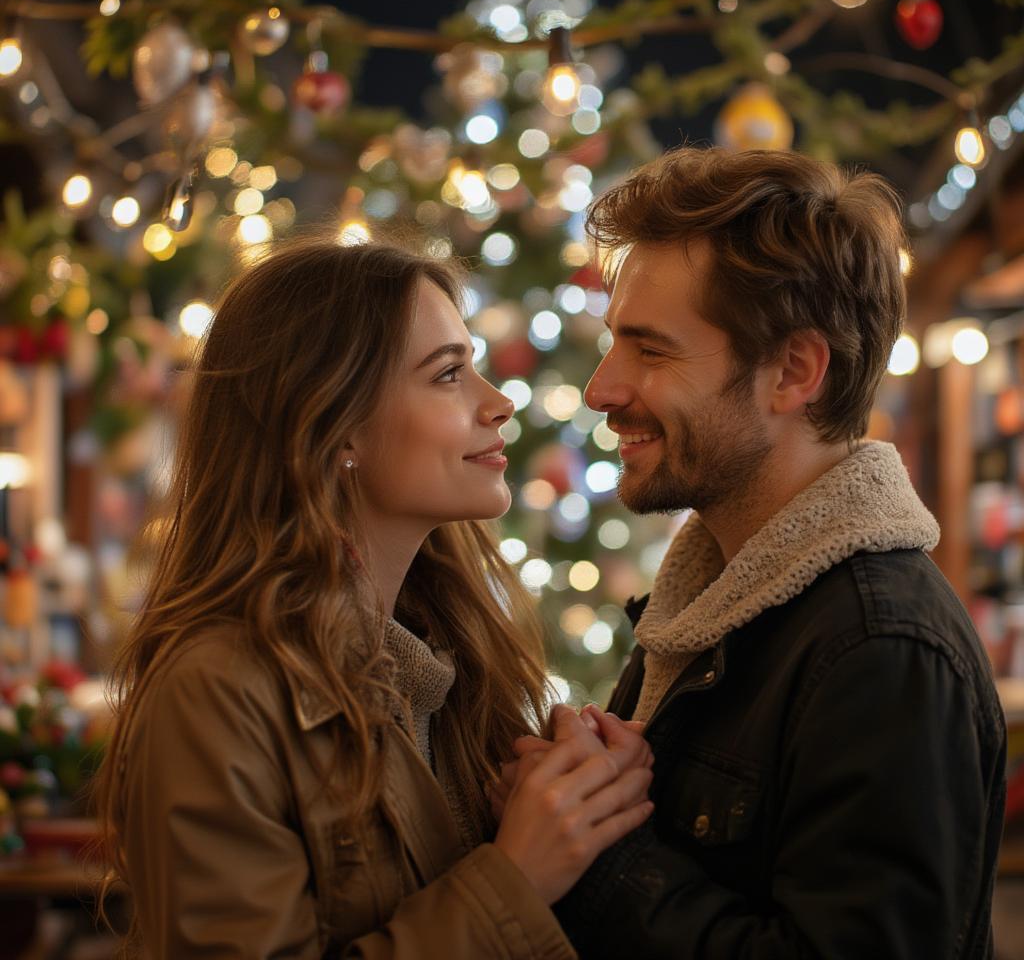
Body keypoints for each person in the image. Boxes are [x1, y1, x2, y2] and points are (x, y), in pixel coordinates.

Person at [93, 238, 655, 958]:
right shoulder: (219, 691)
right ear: (334, 427)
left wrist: (572, 799)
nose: (499, 402)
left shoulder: (450, 663)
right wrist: (516, 876)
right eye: (449, 374)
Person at [519, 148, 1006, 958]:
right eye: (614, 342)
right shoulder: (706, 608)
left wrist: (601, 857)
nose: (601, 387)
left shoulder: (879, 652)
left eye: (651, 348)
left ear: (793, 370)